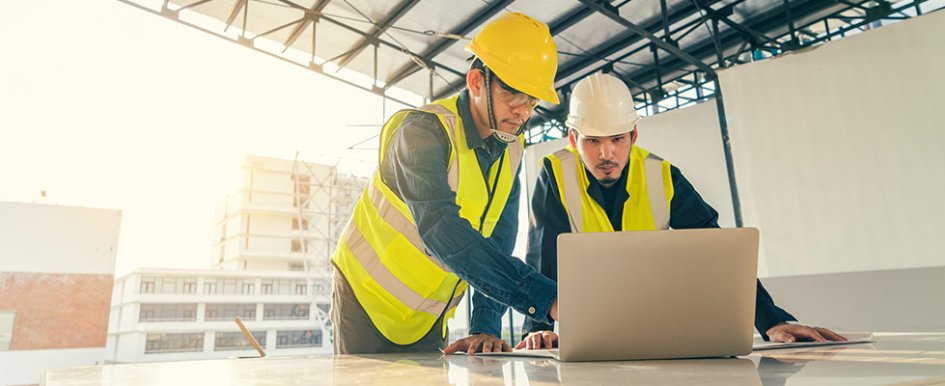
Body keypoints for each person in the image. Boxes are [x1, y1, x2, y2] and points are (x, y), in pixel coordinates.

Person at [515, 72, 847, 350]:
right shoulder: (555, 174)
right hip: (585, 332)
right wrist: (537, 327)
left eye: (617, 139)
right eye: (592, 141)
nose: (607, 153)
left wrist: (772, 321)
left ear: (633, 134)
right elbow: (543, 255)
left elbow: (719, 252)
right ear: (573, 139)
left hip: (654, 328)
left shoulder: (662, 176)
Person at [329, 12, 559, 355]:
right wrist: (547, 298)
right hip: (366, 301)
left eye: (532, 100)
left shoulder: (511, 150)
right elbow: (440, 228)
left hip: (429, 316)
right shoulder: (421, 133)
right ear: (477, 81)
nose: (523, 111)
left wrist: (484, 327)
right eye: (514, 94)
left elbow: (496, 243)